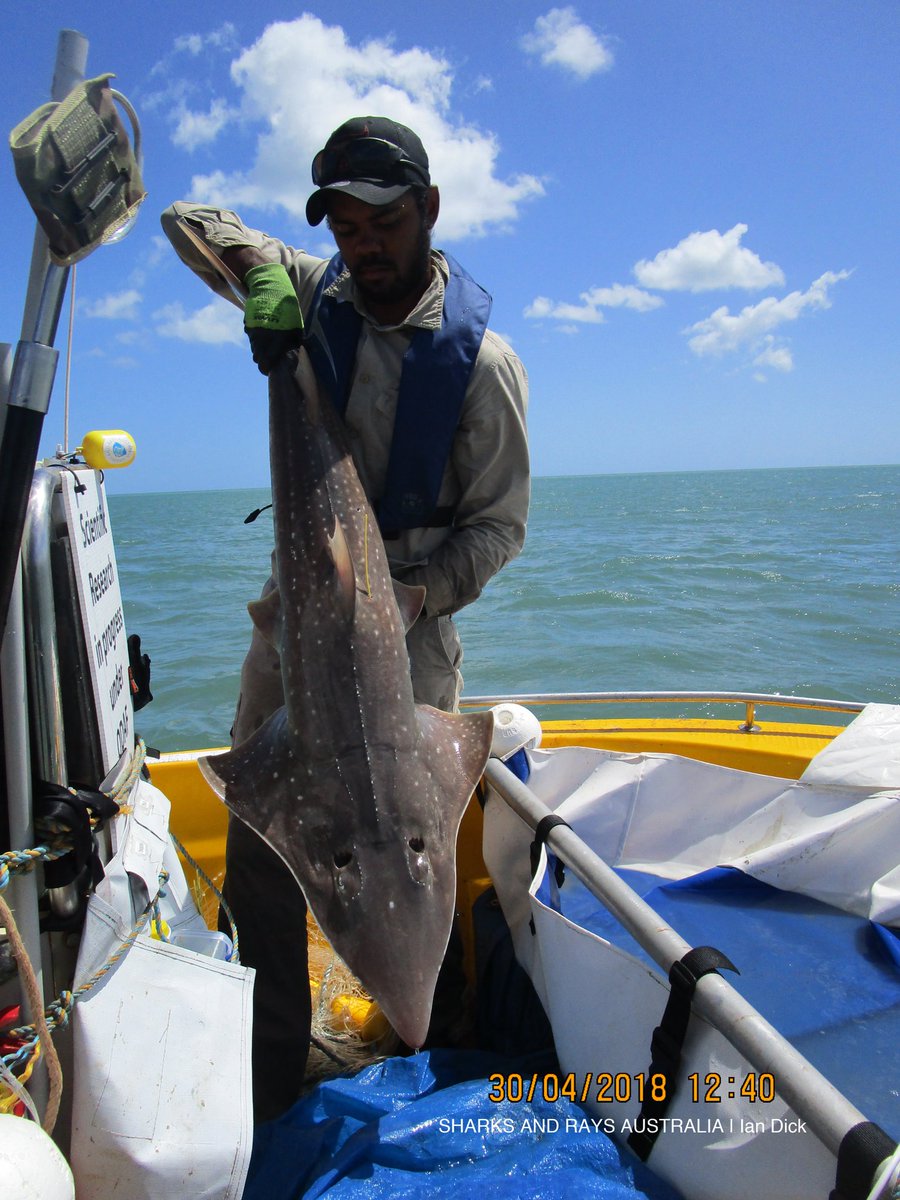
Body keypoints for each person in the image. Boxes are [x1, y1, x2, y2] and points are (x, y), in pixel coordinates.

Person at [161, 116, 530, 1120]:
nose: (363, 242)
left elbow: (499, 528)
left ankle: (437, 1044)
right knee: (272, 859)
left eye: (384, 219)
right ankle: (273, 1072)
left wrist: (418, 594)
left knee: (420, 845)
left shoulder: (483, 367)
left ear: (429, 211)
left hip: (410, 617)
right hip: (299, 627)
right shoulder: (313, 289)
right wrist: (257, 280)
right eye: (344, 225)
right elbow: (183, 219)